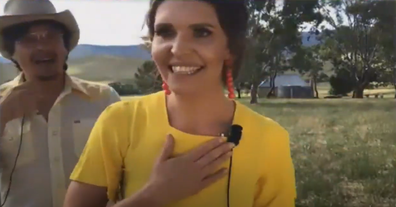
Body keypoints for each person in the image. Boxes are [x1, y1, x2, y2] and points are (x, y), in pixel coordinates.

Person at [64, 0, 296, 207]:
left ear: (229, 48)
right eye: (165, 32)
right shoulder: (120, 121)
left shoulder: (269, 138)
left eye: (201, 32)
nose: (178, 48)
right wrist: (152, 197)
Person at [0, 0, 120, 206]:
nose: (42, 46)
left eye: (51, 36)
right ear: (12, 53)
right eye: (28, 39)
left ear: (66, 47)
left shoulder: (104, 99)